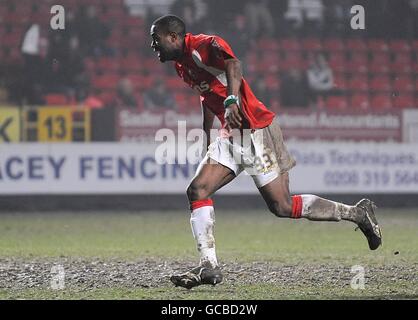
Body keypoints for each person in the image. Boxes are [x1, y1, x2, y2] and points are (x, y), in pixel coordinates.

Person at [149, 15, 382, 289]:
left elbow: (234, 63)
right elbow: (206, 93)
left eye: (156, 39)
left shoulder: (203, 45)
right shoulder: (181, 66)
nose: (153, 45)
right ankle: (209, 266)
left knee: (282, 206)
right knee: (197, 190)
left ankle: (356, 213)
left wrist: (232, 101)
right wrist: (206, 131)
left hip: (256, 129)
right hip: (232, 133)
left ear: (174, 37)